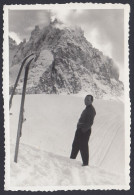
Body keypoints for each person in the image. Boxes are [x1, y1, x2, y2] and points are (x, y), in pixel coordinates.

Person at [70, 95, 96, 166]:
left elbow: (90, 123)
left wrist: (82, 130)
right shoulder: (87, 108)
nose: (86, 101)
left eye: (88, 100)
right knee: (75, 145)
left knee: (83, 147)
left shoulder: (91, 110)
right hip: (81, 130)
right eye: (85, 99)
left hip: (84, 131)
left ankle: (85, 164)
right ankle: (71, 159)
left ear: (91, 101)